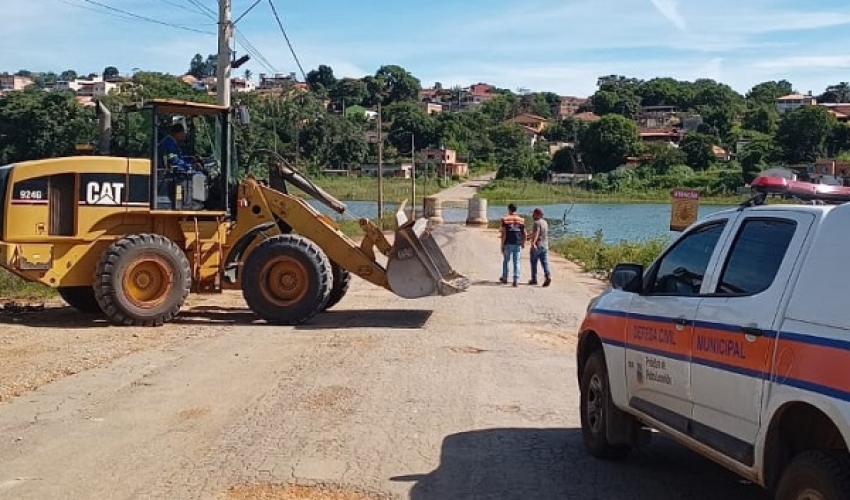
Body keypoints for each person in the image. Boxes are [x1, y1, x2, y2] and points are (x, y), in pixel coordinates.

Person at [499, 203, 526, 287]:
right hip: (517, 243)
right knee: (516, 262)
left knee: (506, 261)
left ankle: (505, 277)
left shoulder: (505, 219)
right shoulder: (521, 220)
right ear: (516, 210)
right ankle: (515, 279)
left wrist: (502, 245)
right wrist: (523, 242)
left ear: (509, 209)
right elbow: (524, 233)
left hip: (508, 243)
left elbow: (504, 233)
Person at [529, 207, 552, 287]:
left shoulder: (536, 223)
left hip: (537, 245)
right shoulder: (545, 222)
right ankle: (547, 275)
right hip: (545, 245)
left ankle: (534, 279)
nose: (532, 215)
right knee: (544, 262)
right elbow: (542, 233)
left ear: (537, 215)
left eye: (533, 214)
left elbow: (537, 233)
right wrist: (530, 235)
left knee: (533, 262)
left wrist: (533, 243)